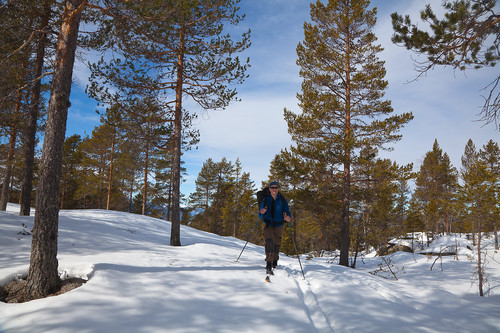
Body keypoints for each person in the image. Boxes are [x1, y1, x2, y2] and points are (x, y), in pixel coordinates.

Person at [259, 181, 291, 274]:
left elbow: (287, 211)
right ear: (269, 189)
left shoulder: (282, 200)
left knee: (277, 243)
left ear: (278, 189)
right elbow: (260, 212)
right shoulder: (265, 199)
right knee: (269, 242)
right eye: (272, 188)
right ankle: (269, 263)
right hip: (268, 224)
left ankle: (275, 260)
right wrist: (262, 212)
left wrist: (288, 217)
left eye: (276, 188)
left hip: (279, 224)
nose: (274, 189)